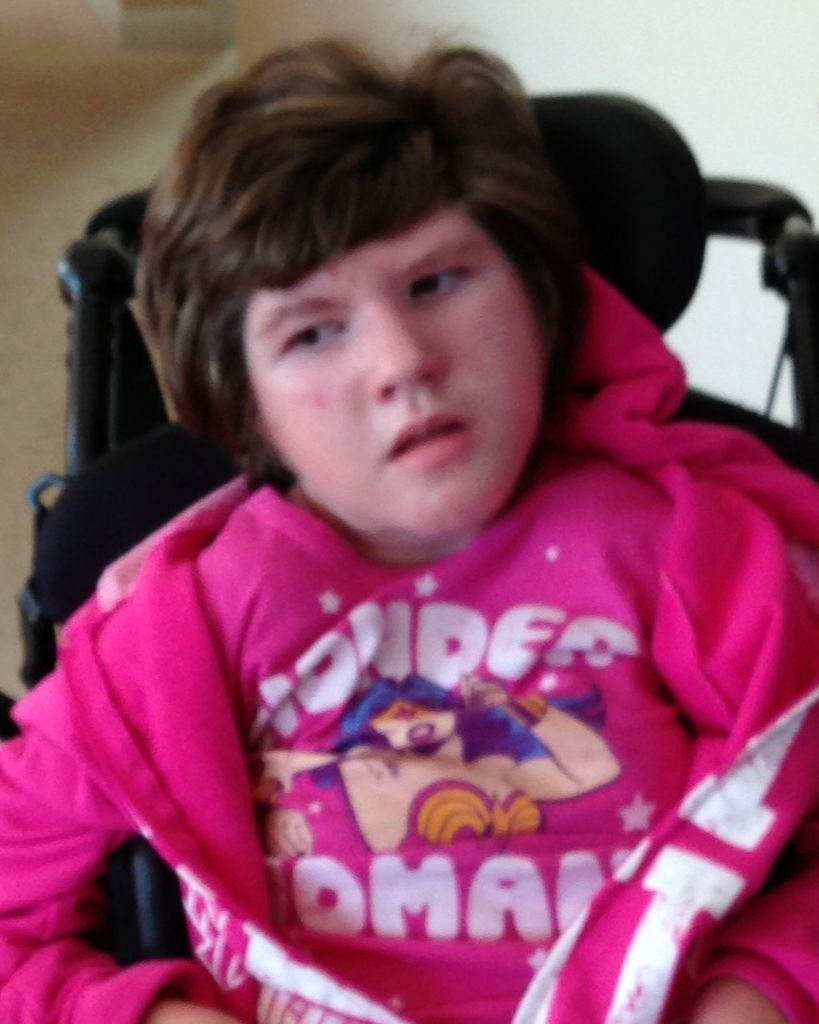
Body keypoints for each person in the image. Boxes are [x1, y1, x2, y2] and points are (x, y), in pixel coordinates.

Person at [2, 38, 819, 1024]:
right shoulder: (185, 626)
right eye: (313, 332)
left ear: (539, 301)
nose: (402, 362)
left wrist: (762, 985)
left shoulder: (687, 553)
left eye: (435, 283)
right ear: (246, 404)